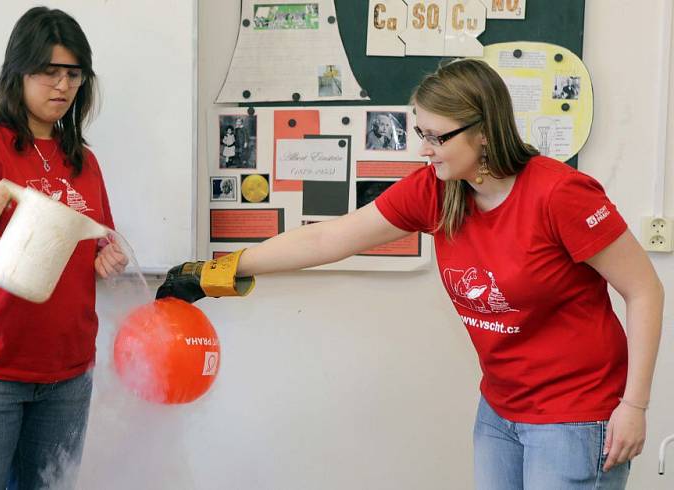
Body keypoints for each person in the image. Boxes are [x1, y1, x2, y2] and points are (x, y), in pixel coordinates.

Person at [156, 59, 664, 489]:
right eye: (420, 132)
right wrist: (216, 272)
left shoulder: (560, 195)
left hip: (576, 415)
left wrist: (634, 405)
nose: (423, 148)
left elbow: (644, 290)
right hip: (501, 408)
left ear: (484, 130)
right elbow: (326, 239)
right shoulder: (437, 188)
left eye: (436, 136)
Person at [0, 7, 127, 489]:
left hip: (67, 373)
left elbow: (97, 241)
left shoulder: (83, 161)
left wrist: (106, 260)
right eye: (48, 72)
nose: (62, 86)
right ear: (19, 72)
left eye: (73, 74)